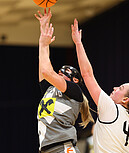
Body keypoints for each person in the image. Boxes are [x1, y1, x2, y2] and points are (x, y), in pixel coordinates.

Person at [71, 18, 129, 153]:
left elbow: (87, 75)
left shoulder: (111, 108)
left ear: (125, 100)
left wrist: (78, 43)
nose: (115, 88)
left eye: (120, 88)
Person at [35, 9, 94, 153]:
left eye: (63, 73)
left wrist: (43, 44)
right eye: (59, 72)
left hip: (63, 148)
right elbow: (44, 65)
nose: (59, 73)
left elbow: (46, 72)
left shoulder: (74, 92)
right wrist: (43, 33)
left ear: (74, 80)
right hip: (47, 149)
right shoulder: (50, 90)